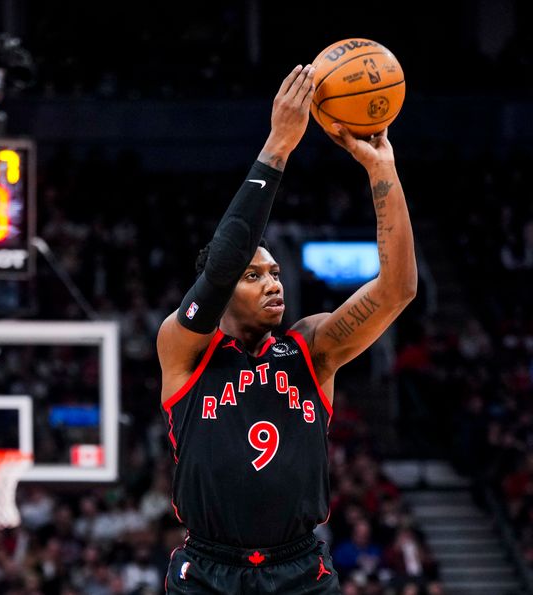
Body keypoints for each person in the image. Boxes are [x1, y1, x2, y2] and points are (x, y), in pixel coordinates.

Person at [157, 63, 417, 593]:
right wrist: (278, 145)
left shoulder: (311, 348)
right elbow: (223, 260)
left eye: (275, 273)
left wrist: (382, 171)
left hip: (299, 569)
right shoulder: (184, 349)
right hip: (207, 570)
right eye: (254, 276)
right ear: (226, 286)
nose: (273, 283)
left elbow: (398, 290)